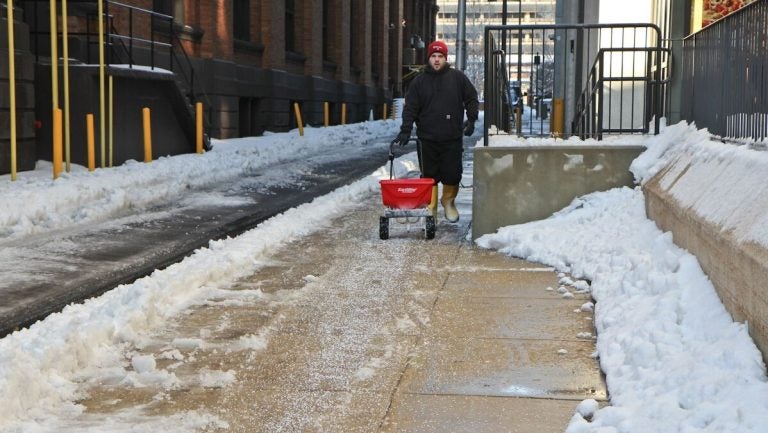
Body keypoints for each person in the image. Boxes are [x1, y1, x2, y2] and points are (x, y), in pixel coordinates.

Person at [393, 40, 479, 223]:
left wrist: (471, 120)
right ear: (429, 58)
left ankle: (448, 201)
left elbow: (471, 98)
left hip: (452, 137)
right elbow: (410, 108)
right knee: (429, 175)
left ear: (446, 58)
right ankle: (430, 206)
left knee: (452, 173)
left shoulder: (458, 78)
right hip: (427, 139)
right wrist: (405, 130)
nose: (437, 60)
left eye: (440, 56)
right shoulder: (419, 82)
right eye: (434, 56)